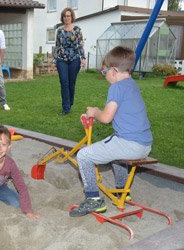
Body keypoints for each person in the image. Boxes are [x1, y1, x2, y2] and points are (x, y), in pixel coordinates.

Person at [69, 46, 153, 217]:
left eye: (104, 70)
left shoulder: (116, 87)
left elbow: (107, 117)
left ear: (114, 71)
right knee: (116, 153)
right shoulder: (132, 84)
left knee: (84, 155)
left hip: (129, 143)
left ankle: (93, 200)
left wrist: (93, 112)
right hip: (144, 144)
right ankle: (122, 191)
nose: (104, 74)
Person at [54, 8, 86, 115]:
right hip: (61, 59)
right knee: (64, 82)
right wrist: (55, 60)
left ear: (72, 17)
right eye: (64, 16)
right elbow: (57, 46)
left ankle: (70, 101)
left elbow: (80, 44)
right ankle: (66, 108)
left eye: (68, 16)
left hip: (74, 59)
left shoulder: (77, 30)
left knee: (71, 83)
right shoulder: (59, 31)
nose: (66, 18)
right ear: (62, 18)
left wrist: (83, 58)